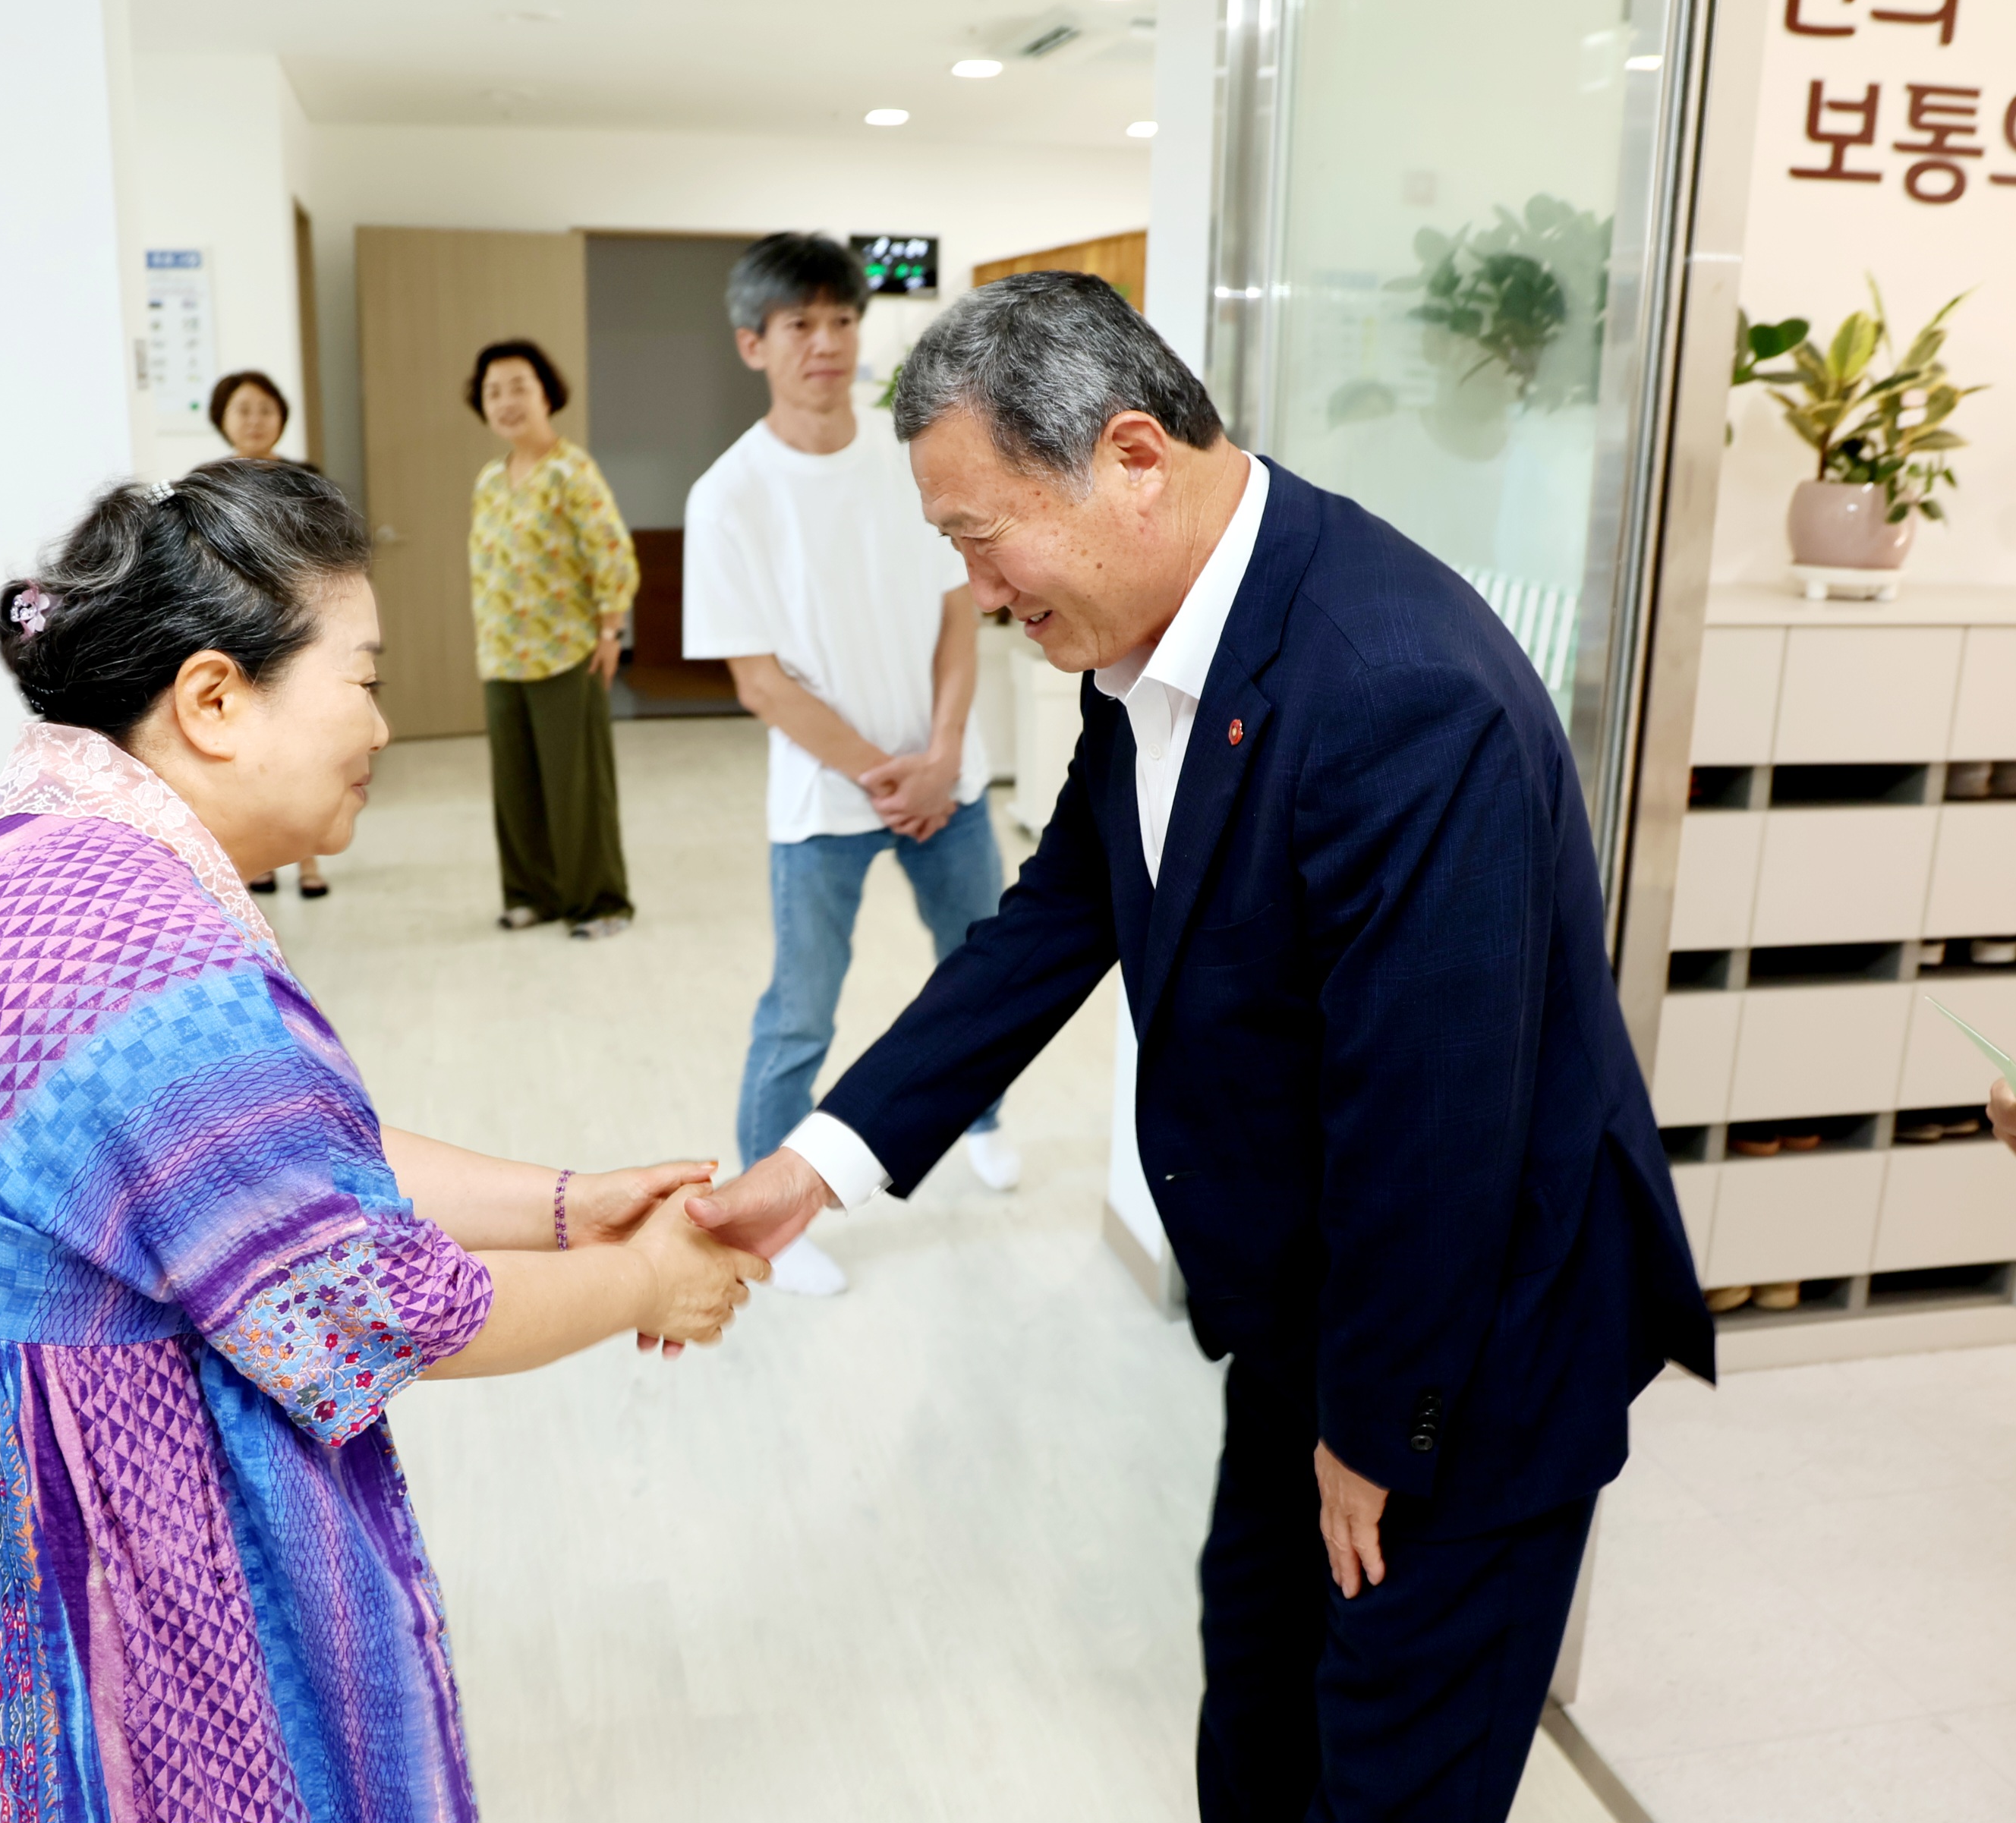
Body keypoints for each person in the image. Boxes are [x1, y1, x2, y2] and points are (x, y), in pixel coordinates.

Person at [0, 457, 766, 1823]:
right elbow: (369, 1307)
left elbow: (263, 1170)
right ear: (214, 700)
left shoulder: (26, 851)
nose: (384, 726)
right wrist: (650, 1278)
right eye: (366, 677)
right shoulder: (150, 962)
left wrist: (569, 1204)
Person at [685, 273, 1716, 1817]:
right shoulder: (1157, 638)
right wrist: (816, 1165)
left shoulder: (1395, 691)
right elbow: (1052, 920)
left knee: (1382, 1773)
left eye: (979, 538)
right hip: (1307, 1310)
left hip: (1461, 1357)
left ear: (1129, 460)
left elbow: (1432, 1133)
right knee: (1254, 1707)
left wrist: (1371, 1440)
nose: (973, 591)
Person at [681, 232, 1013, 1302]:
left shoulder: (912, 453)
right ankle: (763, 1220)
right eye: (798, 324)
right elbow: (760, 682)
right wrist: (890, 773)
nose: (825, 343)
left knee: (984, 973)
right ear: (753, 343)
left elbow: (961, 613)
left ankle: (989, 1119)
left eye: (840, 320)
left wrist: (946, 755)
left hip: (945, 782)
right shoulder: (729, 494)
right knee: (800, 1015)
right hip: (826, 798)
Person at [466, 338, 638, 938]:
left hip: (569, 651)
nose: (506, 401)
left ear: (546, 394)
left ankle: (601, 902)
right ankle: (531, 893)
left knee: (577, 789)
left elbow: (612, 552)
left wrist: (611, 626)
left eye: (518, 386)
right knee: (515, 789)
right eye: (493, 391)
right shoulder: (489, 479)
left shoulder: (571, 469)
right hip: (502, 656)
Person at [210, 367, 328, 899]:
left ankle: (308, 861)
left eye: (265, 408)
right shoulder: (207, 484)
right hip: (234, 628)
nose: (255, 419)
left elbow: (325, 557)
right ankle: (258, 857)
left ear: (281, 416)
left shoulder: (305, 480)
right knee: (247, 746)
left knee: (304, 746)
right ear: (223, 420)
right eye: (243, 410)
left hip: (296, 627)